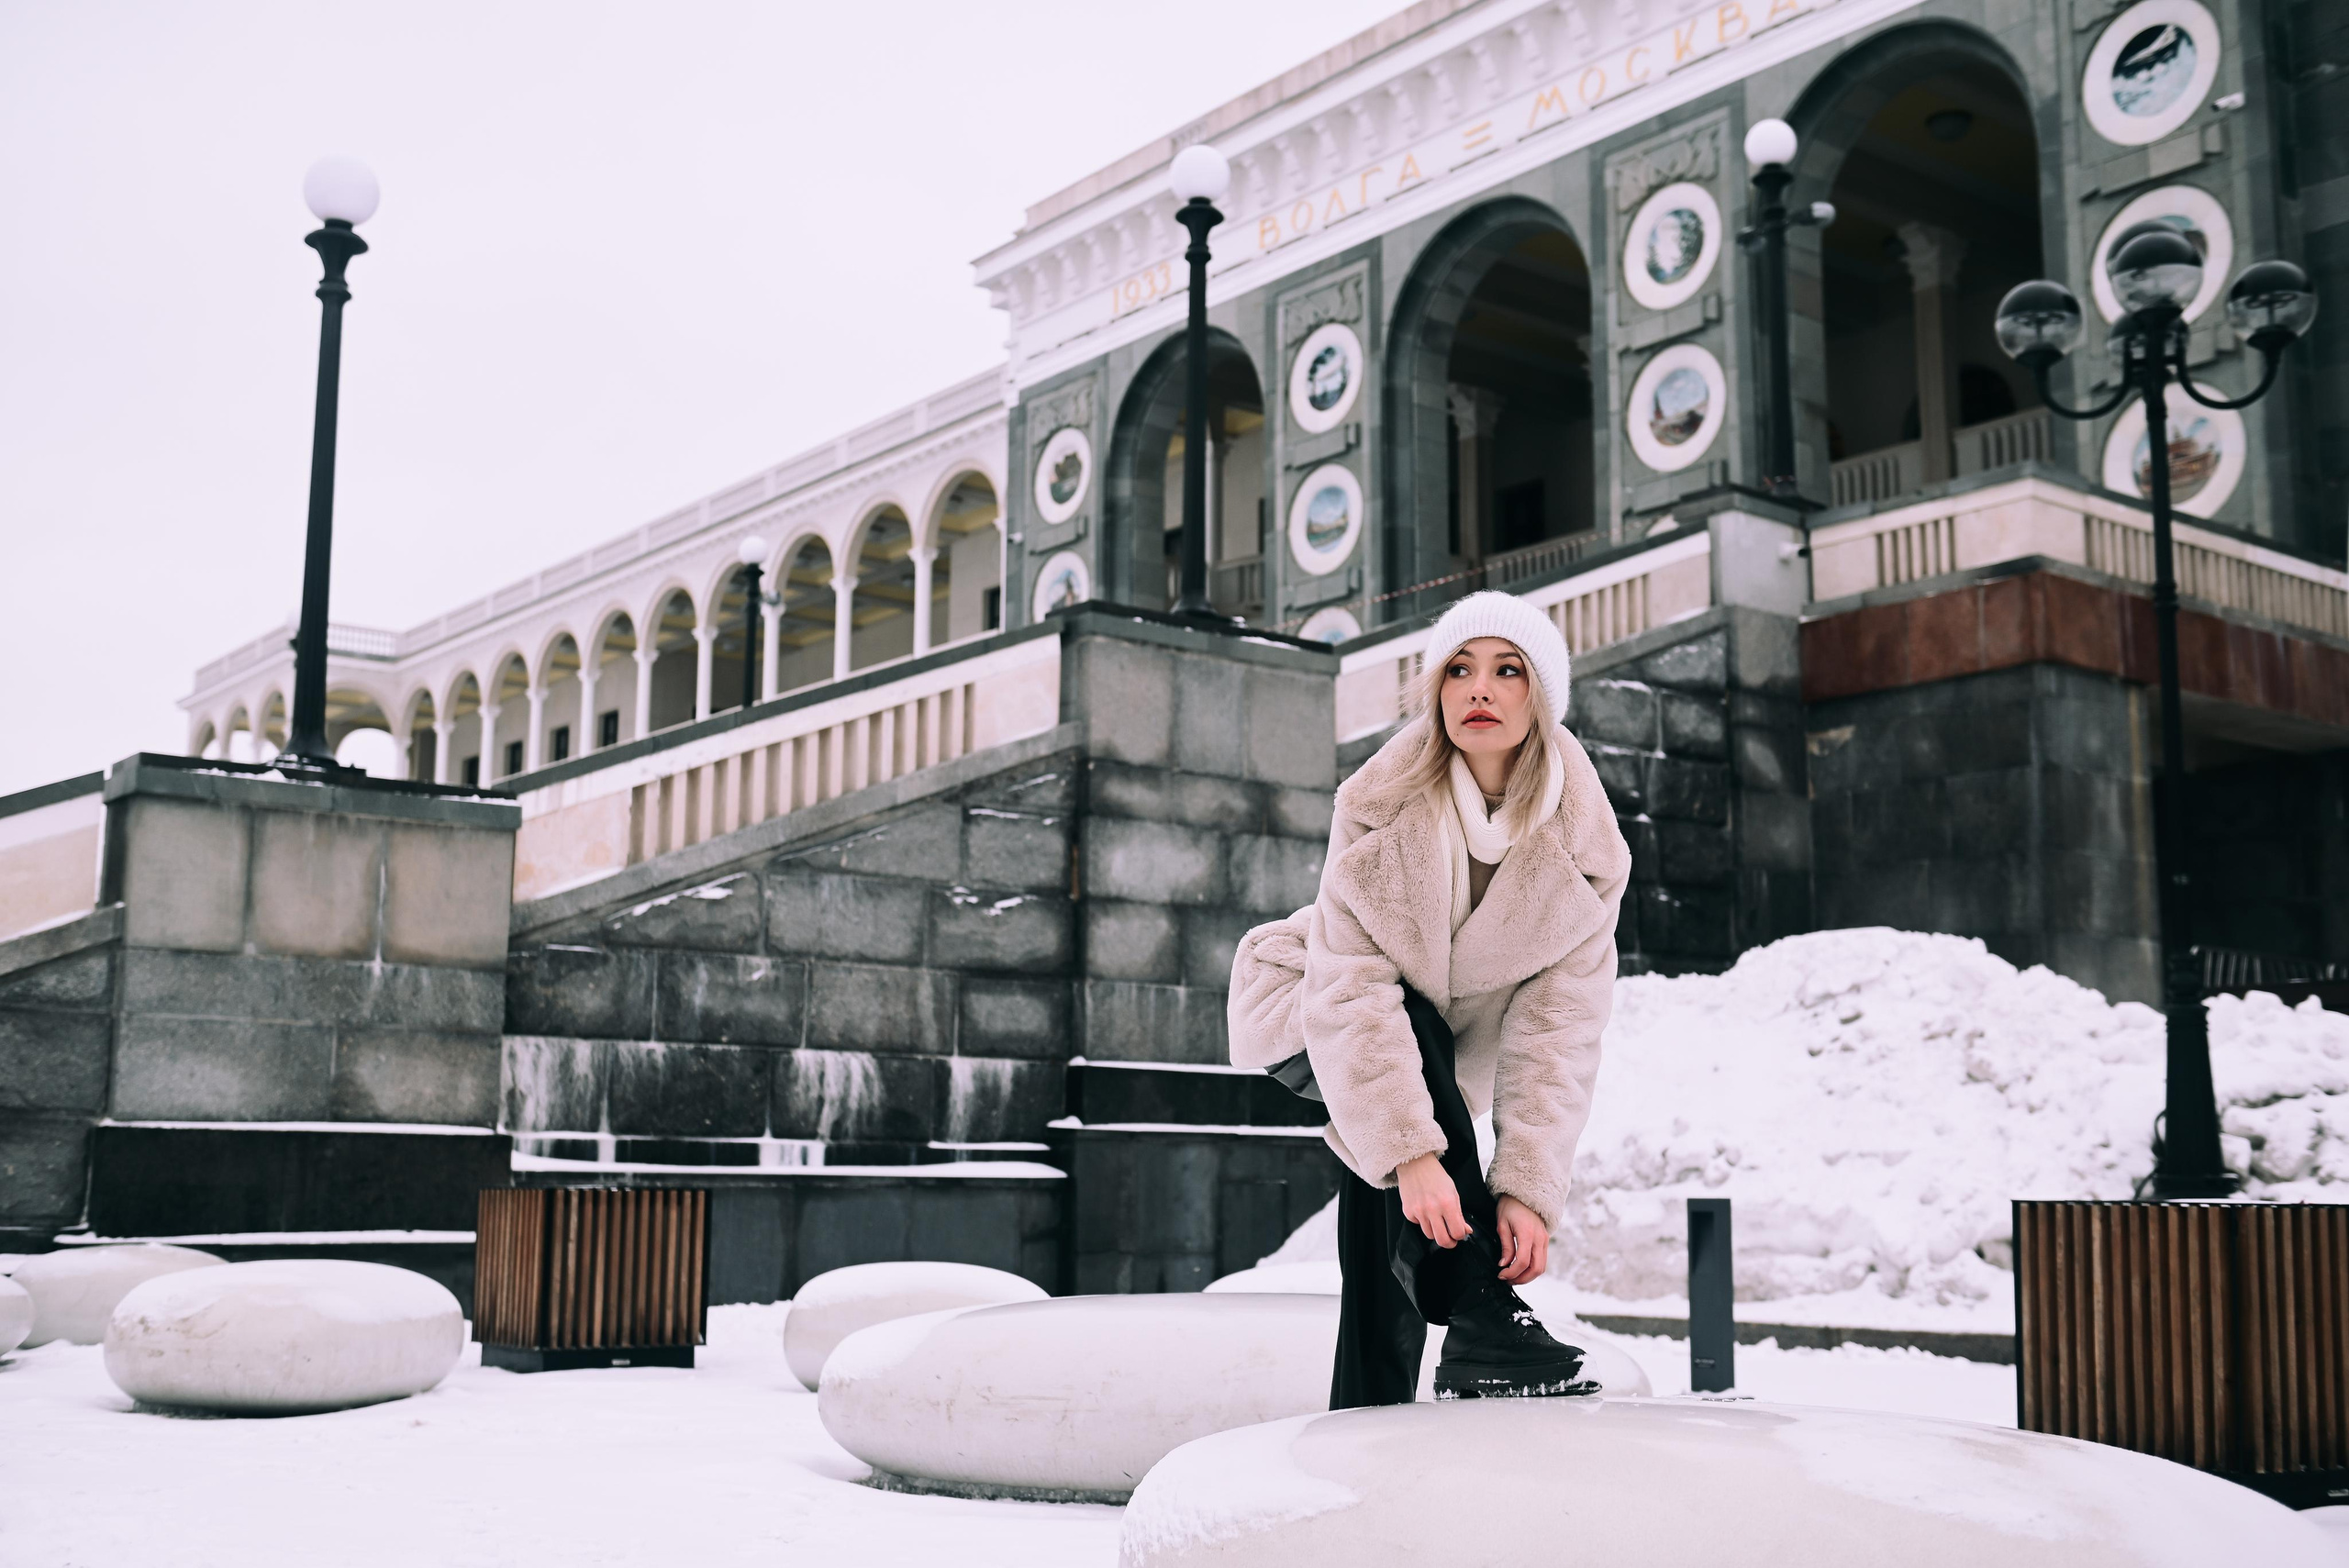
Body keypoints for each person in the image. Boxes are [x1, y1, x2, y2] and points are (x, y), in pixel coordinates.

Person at [1229, 591, 1630, 1406]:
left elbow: (1560, 1030)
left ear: (1539, 698)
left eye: (1506, 670)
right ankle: (1481, 1309)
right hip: (1312, 1010)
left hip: (1426, 1061)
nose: (1479, 689)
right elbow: (1352, 987)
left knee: (1384, 1205)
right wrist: (1415, 1153)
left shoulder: (1585, 852)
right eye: (1459, 669)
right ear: (1437, 691)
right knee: (1405, 1066)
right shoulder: (1378, 806)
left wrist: (1524, 1187)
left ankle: (1366, 1409)